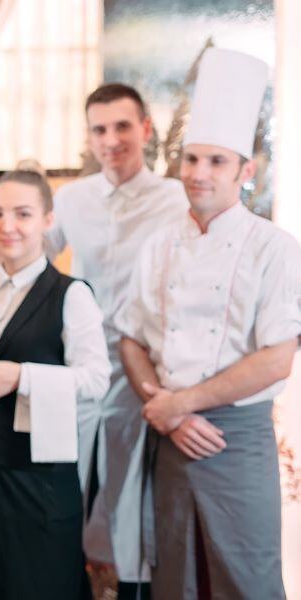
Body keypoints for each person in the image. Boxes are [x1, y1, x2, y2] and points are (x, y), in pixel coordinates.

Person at [117, 48, 299, 599]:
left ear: (246, 171)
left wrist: (182, 405)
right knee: (176, 580)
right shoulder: (158, 243)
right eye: (191, 159)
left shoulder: (275, 248)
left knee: (248, 581)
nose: (199, 174)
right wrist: (166, 412)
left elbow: (277, 357)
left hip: (234, 441)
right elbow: (131, 338)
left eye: (216, 162)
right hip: (172, 439)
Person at [45, 83, 188, 596]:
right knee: (69, 485)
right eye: (100, 129)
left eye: (122, 126)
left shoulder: (176, 200)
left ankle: (133, 588)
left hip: (145, 372)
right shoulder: (71, 199)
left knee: (136, 495)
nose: (111, 140)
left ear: (145, 130)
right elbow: (34, 259)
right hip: (80, 367)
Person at [0, 169, 110, 599]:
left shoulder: (71, 294)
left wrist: (22, 376)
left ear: (47, 220)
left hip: (40, 478)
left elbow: (97, 379)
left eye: (23, 214)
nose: (8, 226)